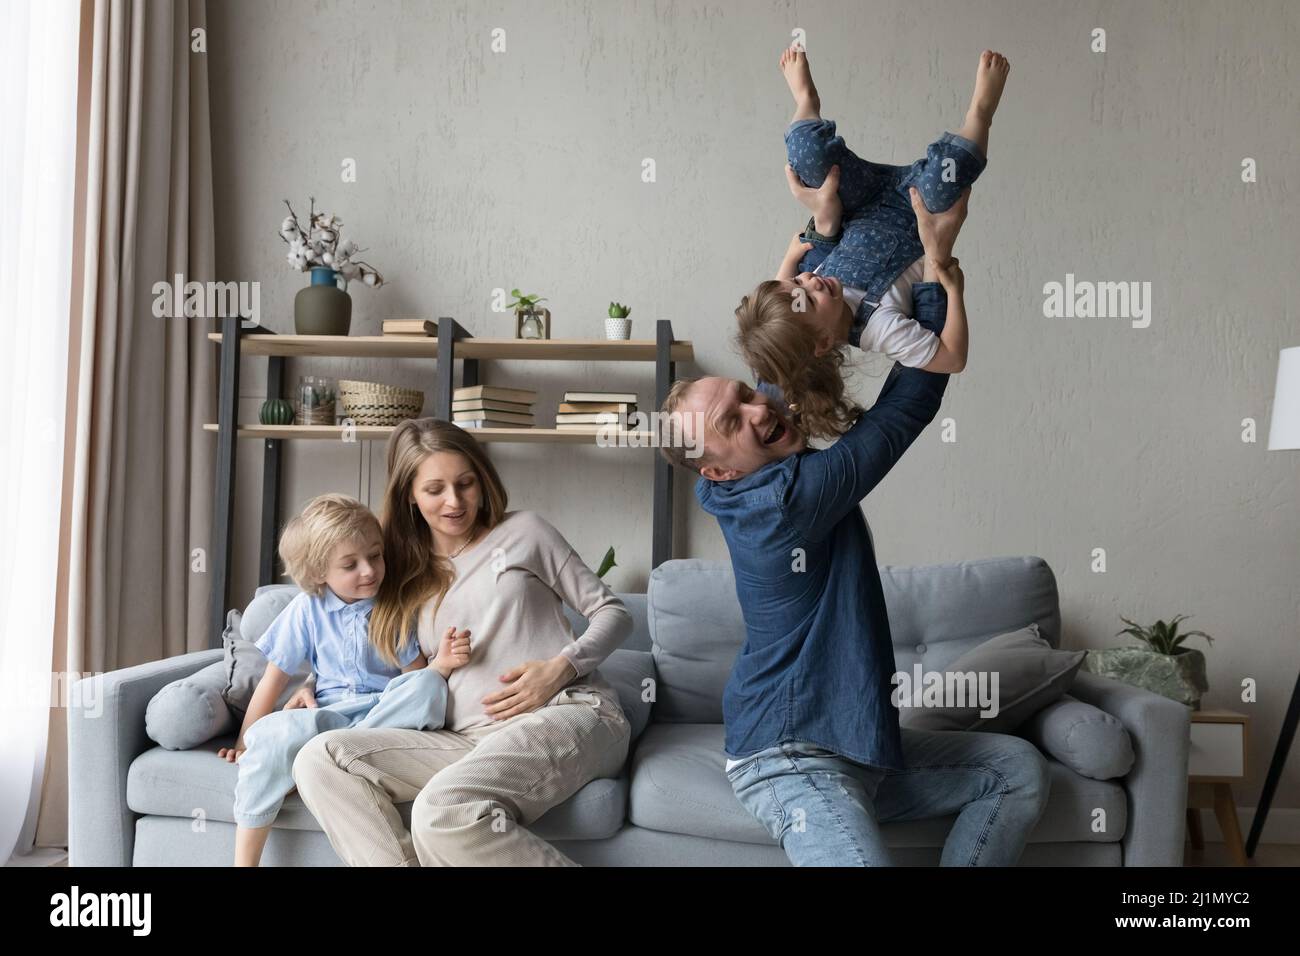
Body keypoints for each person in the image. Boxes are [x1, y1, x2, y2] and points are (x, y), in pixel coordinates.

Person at [656, 189, 1049, 866]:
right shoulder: (791, 498)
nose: (757, 411)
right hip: (788, 755)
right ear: (714, 470)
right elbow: (909, 404)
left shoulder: (748, 463)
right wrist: (932, 271)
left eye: (746, 397)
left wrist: (809, 239)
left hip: (860, 749)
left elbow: (778, 363)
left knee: (1012, 769)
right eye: (732, 422)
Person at [290, 421, 633, 866]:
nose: (454, 501)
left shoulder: (526, 533)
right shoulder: (399, 572)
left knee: (441, 813)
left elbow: (614, 613)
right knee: (320, 758)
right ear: (409, 495)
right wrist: (310, 683)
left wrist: (560, 668)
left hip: (570, 712)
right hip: (465, 739)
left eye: (465, 483)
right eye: (435, 489)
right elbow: (346, 630)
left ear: (482, 481)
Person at [737, 46, 1009, 440]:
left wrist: (793, 255)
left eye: (800, 284)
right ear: (824, 343)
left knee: (806, 157)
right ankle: (979, 113)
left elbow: (784, 285)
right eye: (810, 298)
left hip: (860, 199)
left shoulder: (808, 292)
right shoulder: (879, 329)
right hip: (917, 207)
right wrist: (954, 290)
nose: (811, 282)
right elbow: (952, 359)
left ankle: (805, 101)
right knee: (947, 178)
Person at [218, 493, 468, 866]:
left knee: (429, 685)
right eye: (350, 564)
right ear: (319, 572)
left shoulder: (392, 606)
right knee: (273, 735)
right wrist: (243, 742)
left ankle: (336, 753)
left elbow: (414, 679)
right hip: (328, 715)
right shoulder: (306, 609)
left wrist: (442, 666)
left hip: (381, 716)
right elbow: (272, 680)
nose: (369, 571)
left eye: (375, 556)